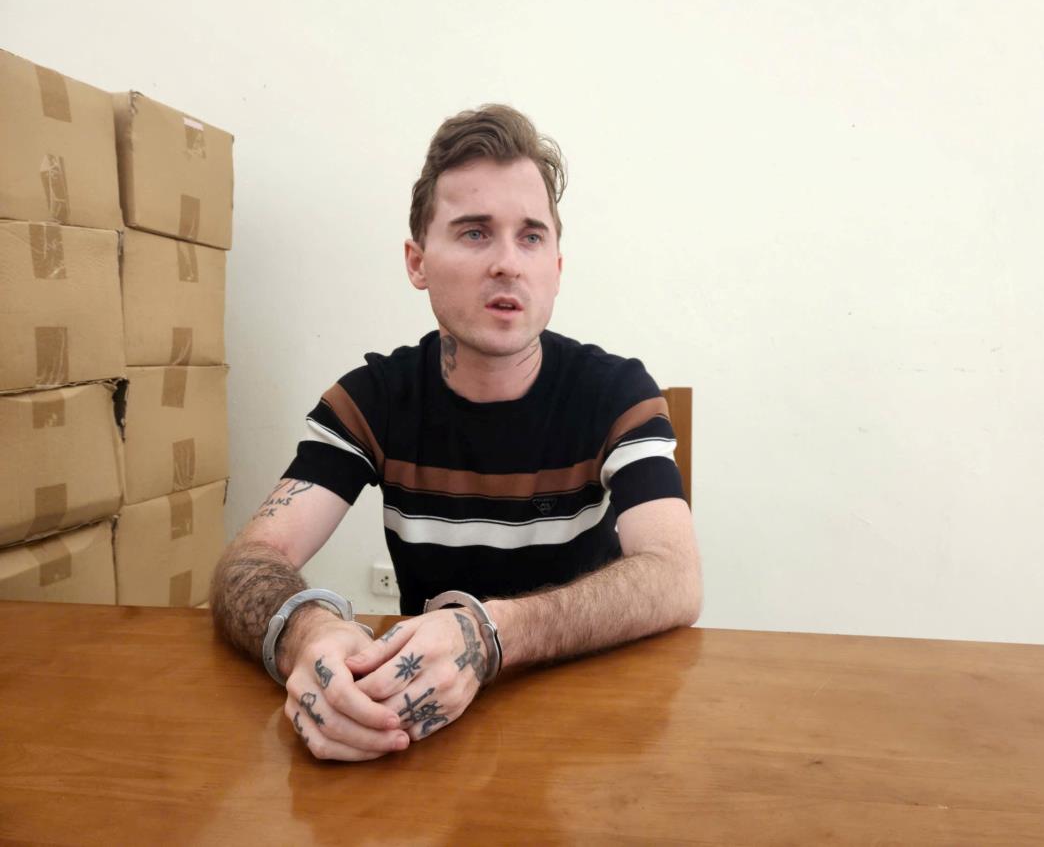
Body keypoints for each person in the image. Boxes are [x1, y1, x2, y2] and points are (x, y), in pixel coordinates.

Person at [210, 105, 702, 762]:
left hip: (589, 733)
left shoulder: (617, 394)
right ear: (417, 262)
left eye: (531, 237)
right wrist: (308, 633)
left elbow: (674, 575)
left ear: (557, 267)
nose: (508, 263)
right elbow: (249, 560)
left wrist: (488, 635)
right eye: (475, 233)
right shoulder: (372, 400)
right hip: (423, 733)